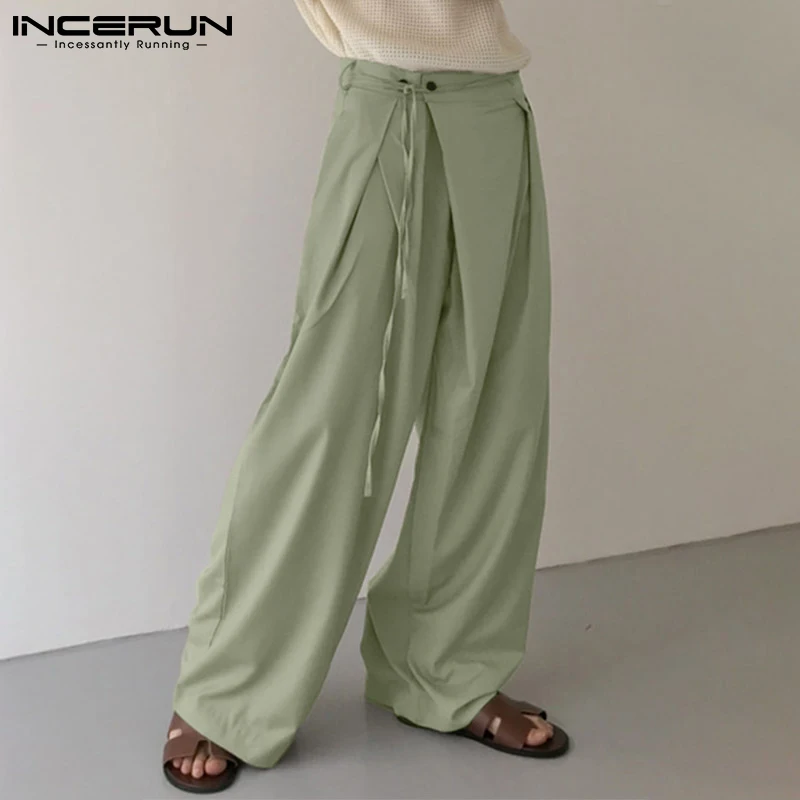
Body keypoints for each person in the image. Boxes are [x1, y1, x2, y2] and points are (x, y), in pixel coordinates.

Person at [162, 1, 568, 792]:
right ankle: (229, 686)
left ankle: (444, 667)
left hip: (493, 105)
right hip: (387, 100)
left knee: (495, 407)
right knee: (328, 407)